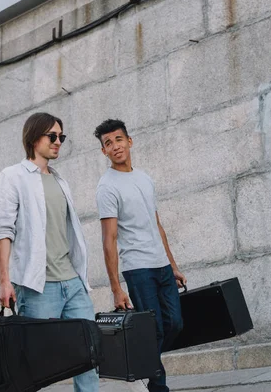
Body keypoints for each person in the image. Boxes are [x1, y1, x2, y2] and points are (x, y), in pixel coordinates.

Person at [0, 112, 99, 392]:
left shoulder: (60, 181)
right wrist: (4, 280)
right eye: (52, 136)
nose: (58, 141)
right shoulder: (12, 176)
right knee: (33, 363)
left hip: (73, 282)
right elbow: (3, 231)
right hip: (39, 286)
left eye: (61, 137)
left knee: (90, 354)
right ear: (33, 137)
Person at [94, 119, 187, 392]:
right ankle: (156, 386)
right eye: (108, 143)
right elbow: (108, 239)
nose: (115, 146)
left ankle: (142, 368)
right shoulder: (107, 187)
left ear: (129, 141)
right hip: (138, 269)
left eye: (118, 139)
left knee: (175, 324)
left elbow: (156, 224)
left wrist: (173, 265)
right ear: (104, 152)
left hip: (161, 265)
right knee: (155, 328)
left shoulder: (144, 178)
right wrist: (115, 288)